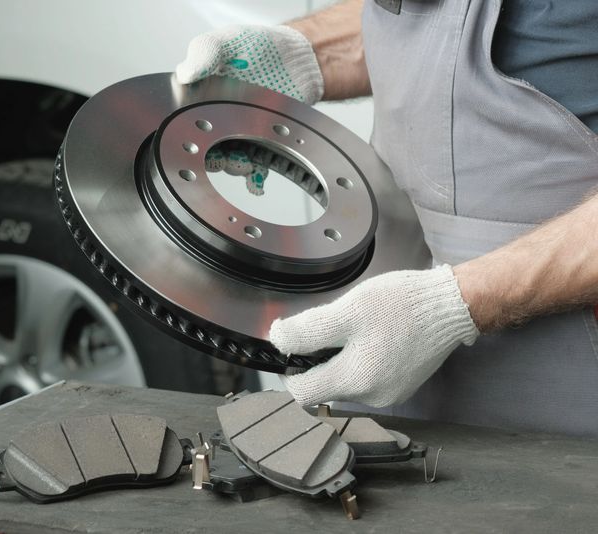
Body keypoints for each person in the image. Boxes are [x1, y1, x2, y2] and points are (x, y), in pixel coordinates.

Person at [176, 0, 598, 436]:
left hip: (567, 379)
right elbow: (440, 22)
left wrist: (452, 305)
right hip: (394, 337)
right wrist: (304, 54)